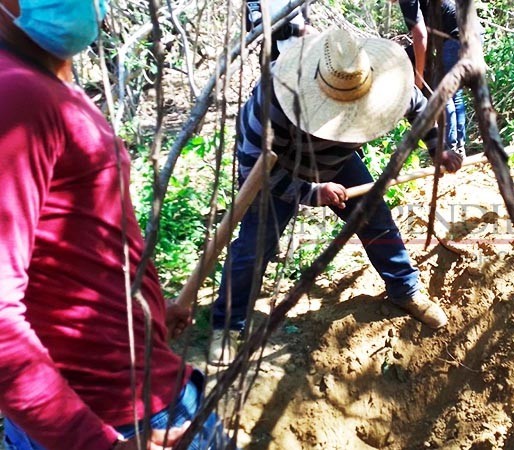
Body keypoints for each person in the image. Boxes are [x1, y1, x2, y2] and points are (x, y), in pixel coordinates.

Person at [0, 1, 228, 449]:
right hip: (118, 413)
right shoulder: (16, 95)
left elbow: (71, 242)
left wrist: (152, 314)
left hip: (129, 390)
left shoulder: (45, 81)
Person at [209, 28, 464, 361]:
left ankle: (405, 289)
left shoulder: (385, 85)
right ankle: (227, 323)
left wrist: (438, 148)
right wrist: (312, 192)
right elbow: (252, 169)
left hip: (338, 160)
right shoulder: (275, 100)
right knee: (256, 247)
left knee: (377, 222)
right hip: (277, 169)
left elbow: (422, 110)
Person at [394, 0, 468, 155]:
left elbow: (420, 36)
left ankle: (449, 149)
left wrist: (418, 79)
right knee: (454, 93)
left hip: (455, 39)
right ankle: (459, 148)